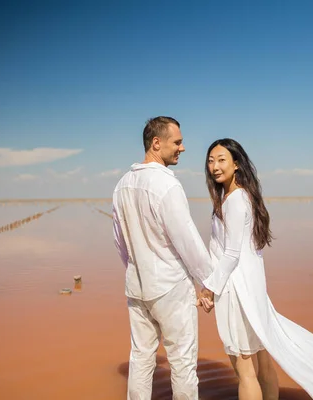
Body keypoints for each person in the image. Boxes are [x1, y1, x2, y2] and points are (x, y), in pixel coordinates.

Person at [202, 138, 313, 399]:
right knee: (263, 360)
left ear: (236, 164)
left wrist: (210, 288)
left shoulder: (234, 200)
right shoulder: (244, 196)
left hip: (237, 290)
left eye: (222, 159)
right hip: (251, 288)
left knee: (244, 370)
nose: (215, 166)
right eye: (211, 161)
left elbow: (231, 254)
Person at [112, 116, 217, 400]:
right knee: (182, 362)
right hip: (170, 287)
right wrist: (209, 282)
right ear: (156, 143)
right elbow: (187, 240)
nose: (182, 148)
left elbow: (120, 242)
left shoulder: (122, 185)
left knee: (141, 359)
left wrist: (136, 269)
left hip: (137, 287)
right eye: (178, 142)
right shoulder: (167, 186)